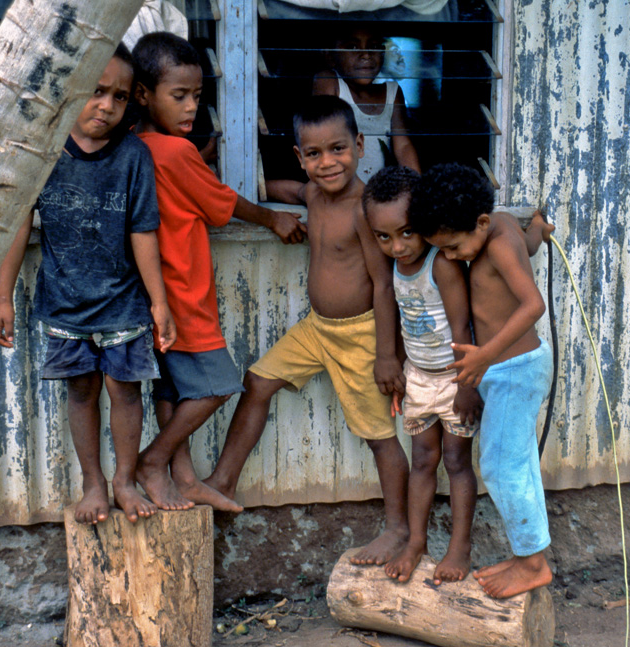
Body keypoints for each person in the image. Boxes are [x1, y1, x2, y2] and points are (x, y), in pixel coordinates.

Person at [204, 96, 410, 565]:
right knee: (257, 381)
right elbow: (279, 188)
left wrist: (386, 355)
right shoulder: (313, 194)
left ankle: (398, 528)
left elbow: (383, 284)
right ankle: (222, 481)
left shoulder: (366, 208)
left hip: (360, 335)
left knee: (379, 435)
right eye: (313, 154)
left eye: (338, 149)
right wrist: (255, 197)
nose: (327, 163)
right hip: (318, 330)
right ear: (300, 157)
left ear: (359, 145)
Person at [0, 45, 175, 525]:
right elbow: (18, 226)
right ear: (71, 90)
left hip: (124, 304)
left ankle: (125, 481)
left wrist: (159, 304)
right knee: (80, 392)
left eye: (118, 96)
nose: (106, 106)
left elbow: (142, 231)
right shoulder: (43, 150)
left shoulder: (133, 155)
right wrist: (3, 297)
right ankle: (94, 482)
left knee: (126, 392)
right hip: (66, 306)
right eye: (95, 92)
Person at [131, 32, 306, 512]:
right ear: (143, 95)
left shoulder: (134, 146)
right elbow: (220, 205)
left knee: (172, 388)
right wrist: (273, 216)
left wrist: (198, 163)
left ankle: (183, 477)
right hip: (184, 294)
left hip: (149, 294)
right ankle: (154, 461)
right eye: (179, 96)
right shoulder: (175, 153)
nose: (192, 108)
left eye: (198, 96)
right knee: (219, 384)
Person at [409, 162, 554, 599]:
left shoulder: (496, 247)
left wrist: (485, 357)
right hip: (506, 371)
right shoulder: (506, 225)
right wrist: (541, 232)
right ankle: (530, 554)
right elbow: (528, 243)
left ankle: (533, 565)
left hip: (514, 369)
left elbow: (533, 306)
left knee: (499, 466)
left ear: (482, 223)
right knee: (519, 462)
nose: (451, 258)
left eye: (453, 247)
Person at [360, 166, 481, 585]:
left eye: (407, 232)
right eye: (384, 237)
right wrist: (393, 362)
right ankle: (415, 542)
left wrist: (467, 385)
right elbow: (394, 313)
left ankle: (460, 547)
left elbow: (464, 328)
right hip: (418, 377)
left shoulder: (440, 265)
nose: (397, 246)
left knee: (455, 461)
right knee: (423, 460)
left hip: (453, 378)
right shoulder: (395, 266)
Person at [313, 26, 420, 182]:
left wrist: (419, 187)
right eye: (352, 47)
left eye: (374, 46)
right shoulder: (329, 82)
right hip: (339, 188)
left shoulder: (392, 93)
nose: (366, 54)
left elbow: (403, 145)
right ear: (330, 56)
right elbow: (327, 141)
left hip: (377, 195)